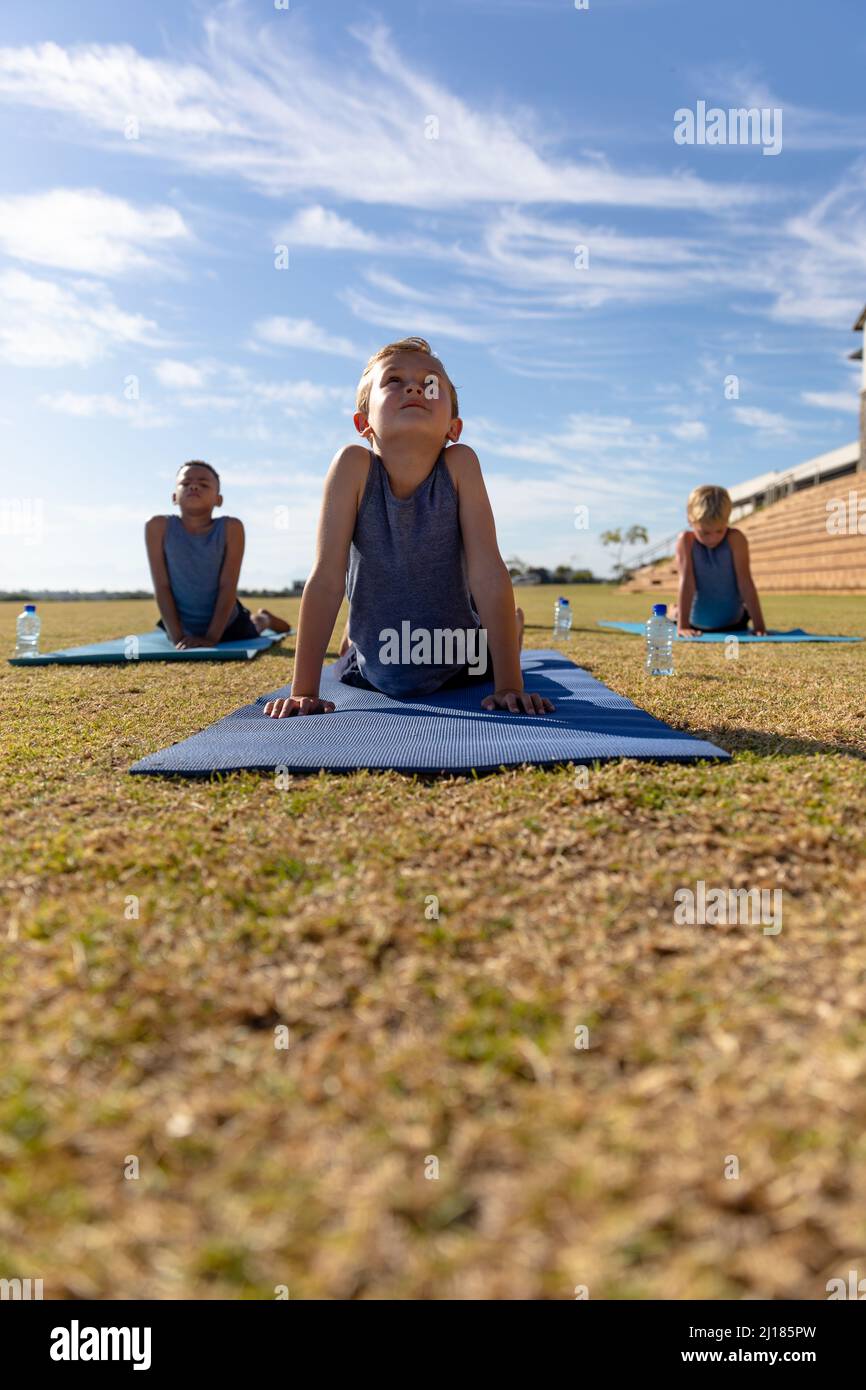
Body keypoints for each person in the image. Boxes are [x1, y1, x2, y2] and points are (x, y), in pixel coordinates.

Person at [263, 336, 554, 717]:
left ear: (454, 426)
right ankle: (354, 632)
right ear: (363, 422)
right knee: (347, 654)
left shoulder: (461, 465)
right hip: (374, 663)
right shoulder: (352, 466)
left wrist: (510, 684)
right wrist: (303, 690)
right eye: (394, 381)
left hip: (461, 658)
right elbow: (327, 577)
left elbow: (487, 570)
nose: (416, 387)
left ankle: (510, 630)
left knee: (491, 645)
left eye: (430, 384)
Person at [145, 461, 291, 649]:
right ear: (174, 496)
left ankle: (265, 618)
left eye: (204, 484)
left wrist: (212, 638)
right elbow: (162, 586)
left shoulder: (231, 528)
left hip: (227, 622)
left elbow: (227, 586)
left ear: (218, 500)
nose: (194, 486)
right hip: (183, 625)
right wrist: (177, 638)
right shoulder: (157, 527)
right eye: (185, 483)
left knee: (255, 626)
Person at [671, 484, 767, 637]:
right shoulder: (686, 541)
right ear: (690, 520)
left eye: (719, 530)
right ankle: (675, 610)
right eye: (705, 532)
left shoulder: (736, 539)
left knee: (744, 607)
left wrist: (759, 626)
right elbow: (687, 582)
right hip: (695, 623)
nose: (713, 538)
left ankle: (675, 609)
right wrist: (682, 626)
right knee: (674, 613)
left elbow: (745, 582)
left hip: (734, 622)